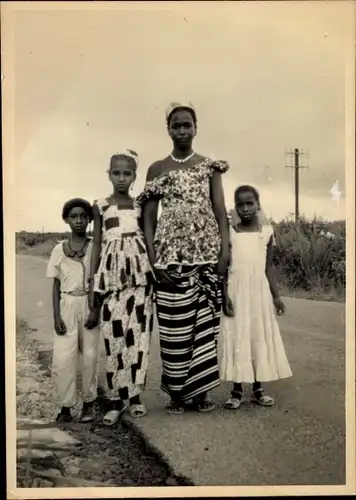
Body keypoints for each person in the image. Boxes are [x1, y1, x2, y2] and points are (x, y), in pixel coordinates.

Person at [137, 102, 230, 415]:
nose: (181, 131)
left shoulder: (209, 166)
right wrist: (153, 258)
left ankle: (201, 392)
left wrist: (224, 251)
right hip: (168, 257)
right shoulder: (157, 169)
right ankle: (177, 395)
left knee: (204, 324)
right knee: (174, 326)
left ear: (196, 127)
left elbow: (220, 210)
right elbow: (148, 218)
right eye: (176, 125)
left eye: (187, 125)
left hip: (205, 254)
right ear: (168, 129)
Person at [88, 149, 154, 425]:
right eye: (116, 173)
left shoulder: (140, 203)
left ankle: (135, 396)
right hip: (112, 276)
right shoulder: (101, 205)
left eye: (127, 173)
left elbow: (148, 237)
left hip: (140, 275)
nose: (121, 178)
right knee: (114, 337)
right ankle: (116, 399)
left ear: (135, 176)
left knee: (139, 338)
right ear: (108, 174)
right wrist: (93, 282)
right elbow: (98, 243)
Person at [221, 183, 292, 409]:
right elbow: (223, 268)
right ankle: (236, 389)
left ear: (258, 205)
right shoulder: (230, 234)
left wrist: (276, 296)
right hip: (236, 291)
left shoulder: (267, 233)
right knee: (237, 335)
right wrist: (224, 296)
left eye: (250, 203)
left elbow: (268, 267)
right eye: (240, 204)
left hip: (259, 292)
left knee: (257, 335)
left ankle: (258, 388)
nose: (245, 209)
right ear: (235, 208)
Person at [47, 198, 100, 423]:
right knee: (63, 358)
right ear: (66, 220)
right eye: (74, 216)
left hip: (89, 305)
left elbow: (100, 281)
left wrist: (95, 310)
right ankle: (65, 406)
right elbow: (56, 284)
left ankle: (89, 403)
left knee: (89, 357)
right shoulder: (59, 249)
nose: (79, 220)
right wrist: (57, 316)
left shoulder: (95, 247)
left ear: (89, 219)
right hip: (67, 305)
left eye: (83, 216)